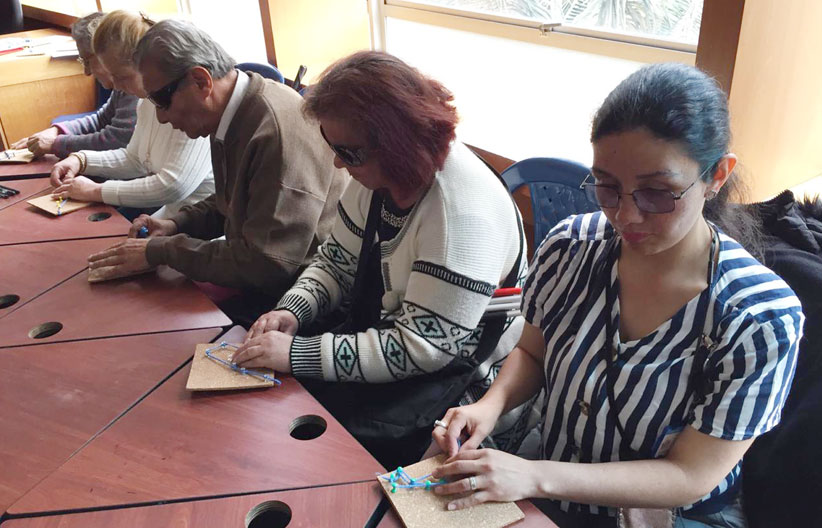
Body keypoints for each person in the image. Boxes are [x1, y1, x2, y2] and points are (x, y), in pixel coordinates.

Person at [429, 63, 804, 528]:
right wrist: (489, 406)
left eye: (657, 193)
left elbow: (692, 474)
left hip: (668, 514)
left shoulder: (758, 314)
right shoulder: (570, 248)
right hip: (543, 483)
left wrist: (535, 477)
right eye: (607, 186)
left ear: (716, 175)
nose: (625, 215)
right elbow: (533, 351)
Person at [228, 51, 538, 468]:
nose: (338, 162)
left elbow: (421, 348)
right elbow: (337, 260)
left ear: (395, 143)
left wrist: (296, 353)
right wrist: (293, 311)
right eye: (330, 145)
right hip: (388, 342)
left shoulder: (462, 215)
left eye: (348, 153)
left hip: (461, 384)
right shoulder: (379, 174)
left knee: (333, 455)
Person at [87, 20, 347, 314]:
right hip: (265, 281)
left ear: (201, 81)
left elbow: (265, 264)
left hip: (296, 302)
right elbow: (236, 199)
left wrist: (160, 251)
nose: (160, 118)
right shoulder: (232, 110)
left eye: (160, 100)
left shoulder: (272, 132)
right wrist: (177, 225)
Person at [49, 10, 214, 220]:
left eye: (122, 77)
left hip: (202, 223)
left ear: (144, 65)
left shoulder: (187, 104)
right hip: (176, 217)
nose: (116, 86)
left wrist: (95, 191)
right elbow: (135, 158)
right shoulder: (146, 102)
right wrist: (81, 160)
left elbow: (174, 185)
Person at [11, 12, 138, 159]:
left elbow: (115, 141)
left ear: (104, 55)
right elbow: (101, 119)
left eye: (87, 61)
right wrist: (57, 131)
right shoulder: (122, 87)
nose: (86, 72)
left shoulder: (134, 90)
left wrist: (55, 144)